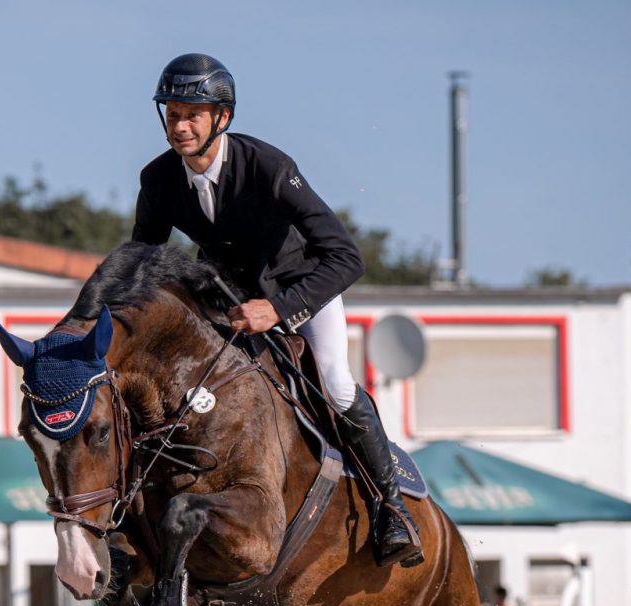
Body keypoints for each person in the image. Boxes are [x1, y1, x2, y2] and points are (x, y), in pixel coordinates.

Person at [130, 52, 419, 569]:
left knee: (334, 382)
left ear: (223, 117)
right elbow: (142, 267)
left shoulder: (269, 167)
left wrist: (280, 308)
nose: (180, 125)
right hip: (227, 301)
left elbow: (346, 257)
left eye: (192, 114)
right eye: (172, 113)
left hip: (302, 288)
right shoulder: (158, 180)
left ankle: (390, 507)